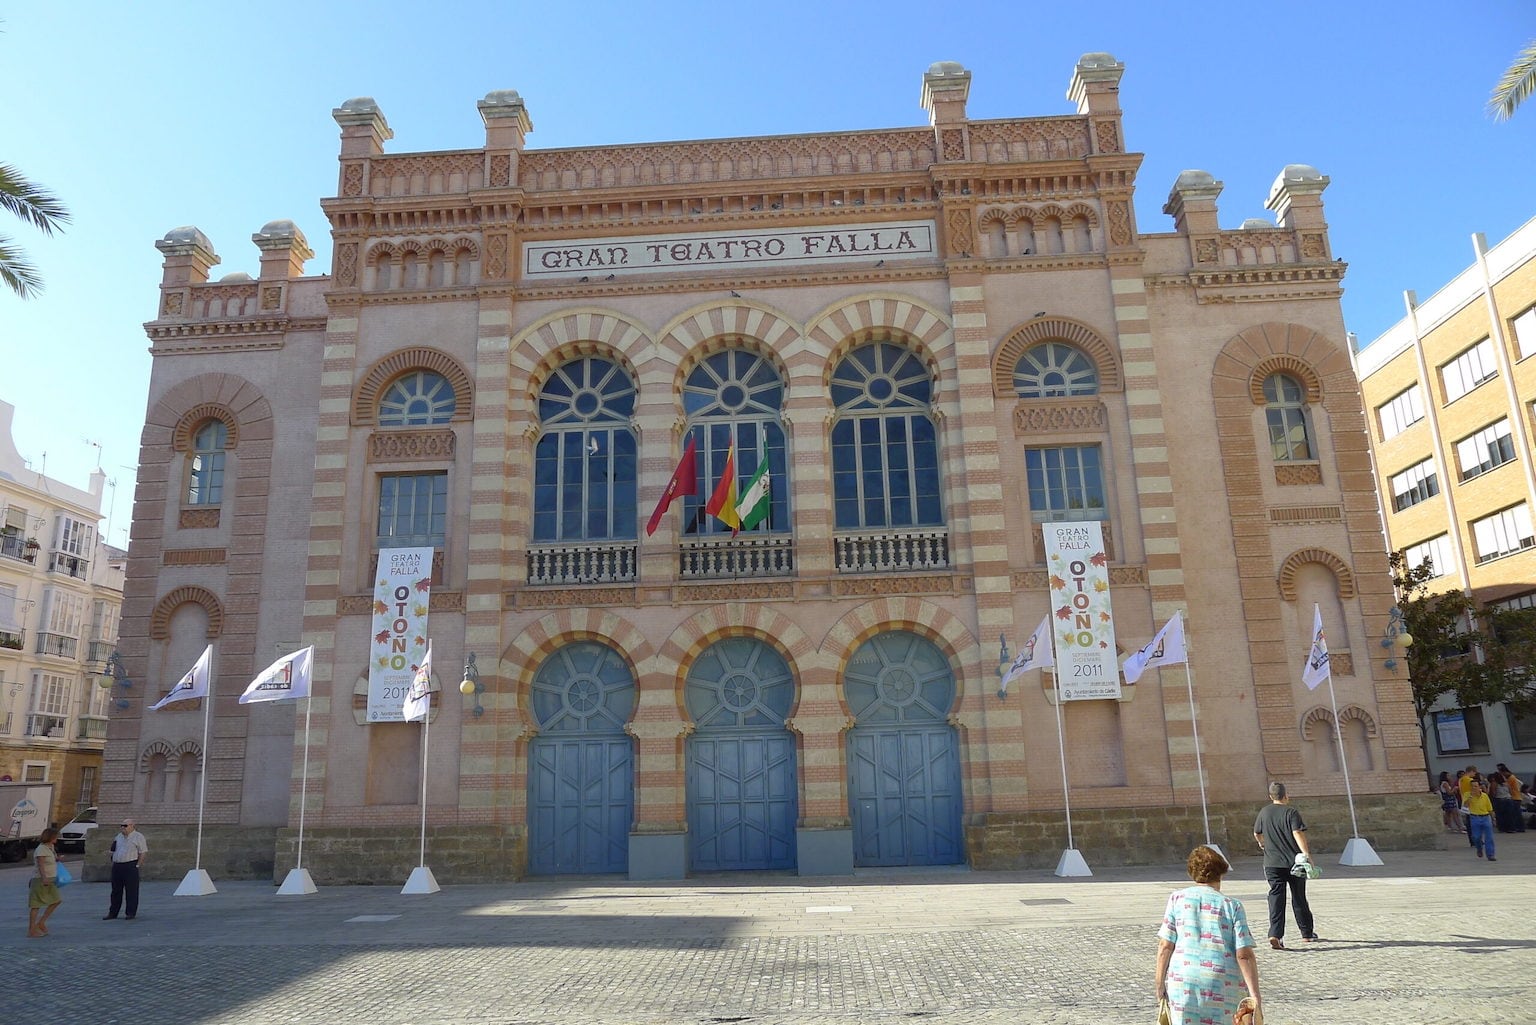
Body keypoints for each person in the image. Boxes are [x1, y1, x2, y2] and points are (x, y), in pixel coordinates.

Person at [1154, 845, 1261, 1025]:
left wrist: (1159, 984)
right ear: (1221, 872)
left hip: (1183, 980)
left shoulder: (1176, 899)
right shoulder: (1232, 906)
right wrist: (1255, 996)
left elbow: (1165, 945)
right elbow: (1244, 955)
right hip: (1223, 981)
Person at [1253, 781, 1317, 949]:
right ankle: (1307, 933)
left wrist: (1262, 844)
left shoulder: (1264, 812)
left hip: (1272, 863)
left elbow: (1257, 833)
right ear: (1286, 795)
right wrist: (1307, 855)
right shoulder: (1291, 812)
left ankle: (1275, 934)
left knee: (1276, 896)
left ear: (1270, 797)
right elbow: (1297, 833)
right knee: (1299, 896)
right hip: (1294, 862)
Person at [104, 818, 148, 920]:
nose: (123, 828)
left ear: (132, 826)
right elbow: (113, 849)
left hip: (130, 865)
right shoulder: (118, 836)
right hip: (117, 865)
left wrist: (138, 865)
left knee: (131, 890)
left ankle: (130, 913)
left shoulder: (138, 837)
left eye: (125, 826)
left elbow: (143, 852)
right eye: (122, 826)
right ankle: (113, 913)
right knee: (115, 891)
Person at [28, 826, 61, 938]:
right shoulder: (41, 849)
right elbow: (41, 865)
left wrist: (57, 859)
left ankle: (41, 922)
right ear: (50, 837)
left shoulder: (50, 847)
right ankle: (31, 930)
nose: (57, 838)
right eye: (55, 836)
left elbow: (51, 860)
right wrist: (44, 878)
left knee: (56, 900)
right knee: (36, 904)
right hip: (40, 879)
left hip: (51, 879)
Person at [1464, 778, 1497, 862]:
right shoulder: (1467, 794)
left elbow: (1490, 808)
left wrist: (1493, 818)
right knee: (1476, 837)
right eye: (1472, 786)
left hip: (1486, 817)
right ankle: (1479, 848)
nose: (1474, 788)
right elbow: (1465, 805)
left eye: (1476, 786)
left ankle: (1490, 855)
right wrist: (1471, 796)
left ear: (1479, 787)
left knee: (1489, 837)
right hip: (1475, 817)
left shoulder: (1484, 796)